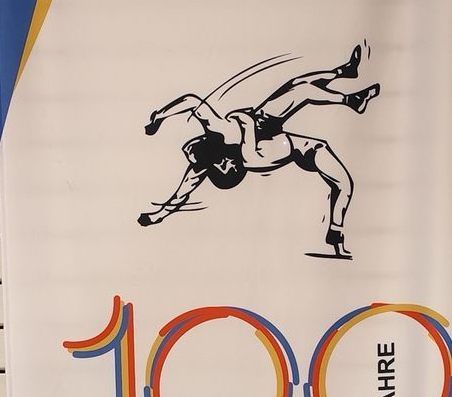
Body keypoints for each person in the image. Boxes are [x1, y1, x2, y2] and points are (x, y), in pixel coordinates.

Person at [140, 44, 380, 257]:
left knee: (297, 86)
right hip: (268, 130)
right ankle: (350, 99)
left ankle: (343, 73)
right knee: (302, 93)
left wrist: (159, 117)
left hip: (265, 124)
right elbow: (195, 105)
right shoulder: (237, 147)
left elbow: (192, 104)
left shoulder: (220, 142)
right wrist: (159, 118)